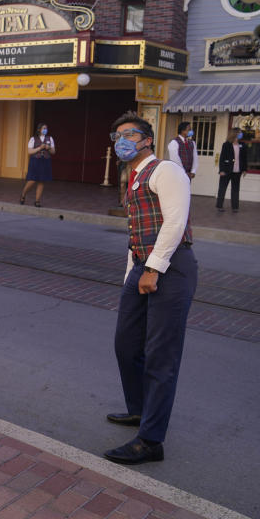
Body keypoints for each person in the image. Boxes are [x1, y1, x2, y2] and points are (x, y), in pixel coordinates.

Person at [103, 111, 195, 466]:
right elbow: (136, 234)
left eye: (129, 134)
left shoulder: (167, 170)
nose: (121, 140)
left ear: (147, 140)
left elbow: (175, 221)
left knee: (161, 356)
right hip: (142, 266)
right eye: (117, 135)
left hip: (172, 268)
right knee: (126, 346)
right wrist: (132, 274)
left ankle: (151, 440)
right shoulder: (133, 176)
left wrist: (153, 269)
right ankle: (139, 409)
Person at [20, 123, 55, 207]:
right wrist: (40, 148)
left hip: (45, 161)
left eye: (46, 128)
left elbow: (53, 152)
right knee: (32, 180)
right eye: (44, 128)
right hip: (35, 161)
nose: (45, 130)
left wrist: (49, 148)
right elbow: (30, 152)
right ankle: (23, 194)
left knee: (41, 181)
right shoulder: (33, 139)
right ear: (39, 129)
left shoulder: (50, 138)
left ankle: (37, 200)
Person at [216, 129, 248, 213]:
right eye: (239, 132)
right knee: (222, 188)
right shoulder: (226, 144)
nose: (241, 134)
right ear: (235, 134)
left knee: (235, 189)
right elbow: (222, 158)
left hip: (237, 171)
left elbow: (244, 158)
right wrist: (221, 170)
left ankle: (235, 207)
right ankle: (219, 206)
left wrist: (244, 169)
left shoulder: (243, 145)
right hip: (226, 170)